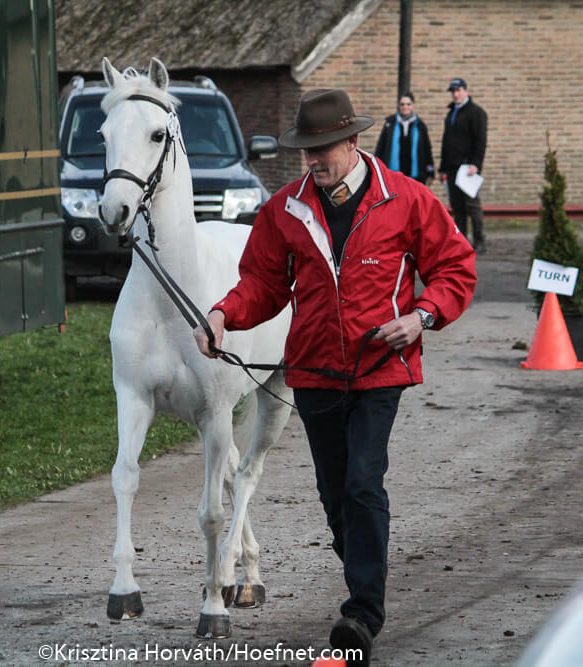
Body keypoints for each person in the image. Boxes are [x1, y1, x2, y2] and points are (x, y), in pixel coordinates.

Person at [192, 89, 476, 663]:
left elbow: (455, 266)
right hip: (315, 371)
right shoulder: (284, 210)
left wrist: (420, 317)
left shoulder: (407, 200)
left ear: (352, 142)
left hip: (379, 368)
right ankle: (364, 578)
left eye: (323, 149)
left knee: (363, 483)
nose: (313, 161)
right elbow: (263, 284)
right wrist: (224, 314)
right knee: (334, 495)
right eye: (305, 151)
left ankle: (362, 613)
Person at [439, 77, 488, 253]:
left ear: (466, 91)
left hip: (467, 167)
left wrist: (476, 163)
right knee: (457, 207)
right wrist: (442, 167)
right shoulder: (451, 112)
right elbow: (447, 141)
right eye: (453, 91)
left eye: (458, 90)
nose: (455, 94)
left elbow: (480, 141)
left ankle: (479, 240)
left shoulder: (476, 113)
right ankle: (461, 241)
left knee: (472, 206)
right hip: (452, 167)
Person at [373, 91, 434, 184]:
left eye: (408, 104)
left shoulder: (420, 125)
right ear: (398, 105)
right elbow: (381, 147)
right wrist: (375, 169)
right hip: (393, 175)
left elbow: (427, 149)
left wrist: (430, 172)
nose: (405, 107)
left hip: (415, 175)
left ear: (413, 105)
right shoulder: (390, 124)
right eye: (402, 104)